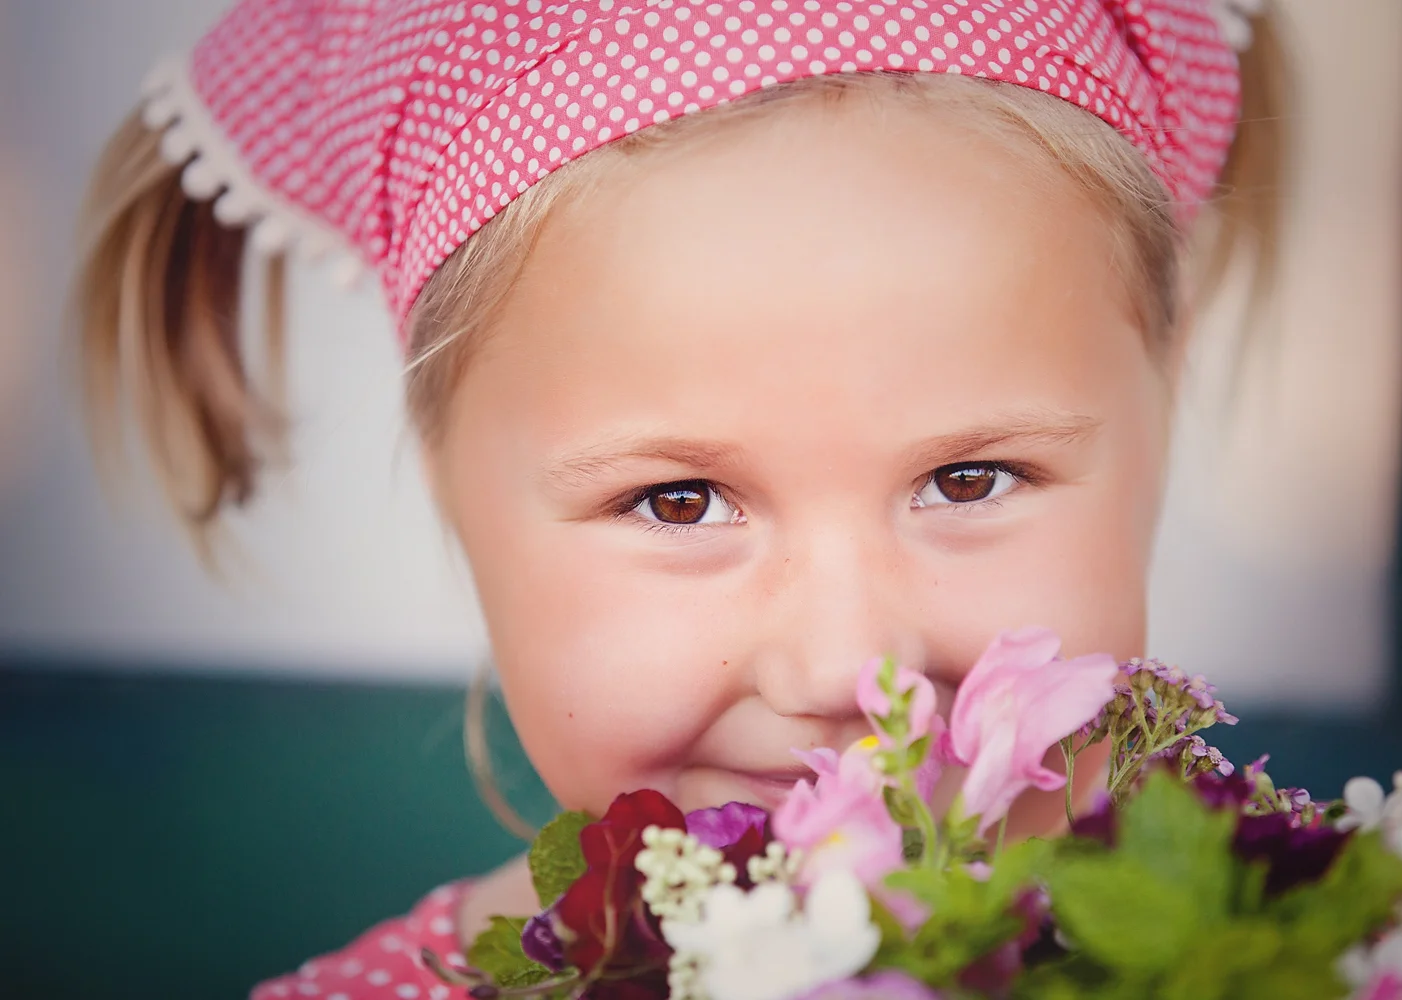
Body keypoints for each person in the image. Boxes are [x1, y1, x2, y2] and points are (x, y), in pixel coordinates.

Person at [74, 0, 1284, 996]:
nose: (843, 667)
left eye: (968, 479)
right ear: (449, 481)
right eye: (680, 502)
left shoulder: (1335, 941)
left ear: (1161, 416)